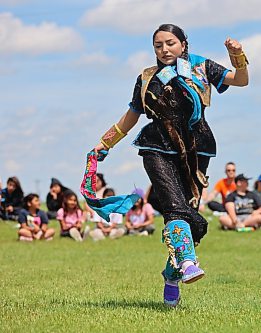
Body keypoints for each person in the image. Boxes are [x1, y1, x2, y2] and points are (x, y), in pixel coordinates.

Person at [92, 23, 248, 307]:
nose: (164, 50)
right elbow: (131, 115)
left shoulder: (201, 67)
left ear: (183, 44)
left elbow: (240, 80)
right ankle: (188, 262)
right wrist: (104, 144)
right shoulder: (146, 78)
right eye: (158, 45)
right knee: (175, 206)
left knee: (188, 215)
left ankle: (171, 273)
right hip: (156, 146)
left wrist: (237, 55)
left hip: (196, 149)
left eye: (170, 43)